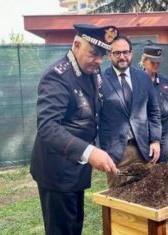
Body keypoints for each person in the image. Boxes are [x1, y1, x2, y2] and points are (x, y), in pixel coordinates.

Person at [30, 24, 119, 235]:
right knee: (62, 230)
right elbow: (48, 127)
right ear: (77, 45)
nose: (99, 61)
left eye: (102, 56)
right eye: (94, 54)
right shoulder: (57, 76)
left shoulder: (91, 73)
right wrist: (89, 152)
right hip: (57, 170)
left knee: (75, 225)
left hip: (77, 166)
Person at [99, 36, 162, 187]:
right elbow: (95, 116)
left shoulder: (143, 77)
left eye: (125, 52)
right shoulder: (100, 80)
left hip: (143, 149)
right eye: (117, 53)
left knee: (145, 193)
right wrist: (99, 149)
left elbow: (153, 110)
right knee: (117, 197)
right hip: (115, 152)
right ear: (109, 55)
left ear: (131, 54)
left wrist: (155, 140)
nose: (122, 57)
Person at [140, 45, 168, 163]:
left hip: (164, 128)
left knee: (162, 165)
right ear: (144, 61)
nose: (156, 65)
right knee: (147, 166)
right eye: (153, 61)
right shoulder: (137, 81)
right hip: (145, 129)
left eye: (158, 62)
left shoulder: (164, 80)